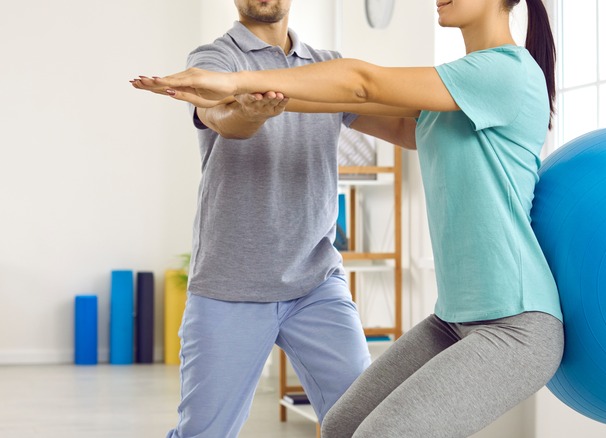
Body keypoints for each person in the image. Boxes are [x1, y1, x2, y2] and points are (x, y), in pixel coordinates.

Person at [133, 0, 564, 436]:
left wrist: (235, 82)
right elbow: (251, 113)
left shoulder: (503, 72)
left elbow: (362, 85)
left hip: (513, 316)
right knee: (342, 426)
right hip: (452, 317)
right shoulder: (454, 85)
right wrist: (240, 102)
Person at [129, 1, 422, 436]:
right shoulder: (216, 58)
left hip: (317, 283)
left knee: (363, 424)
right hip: (230, 286)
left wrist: (472, 110)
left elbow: (403, 131)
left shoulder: (327, 67)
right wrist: (247, 113)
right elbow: (222, 119)